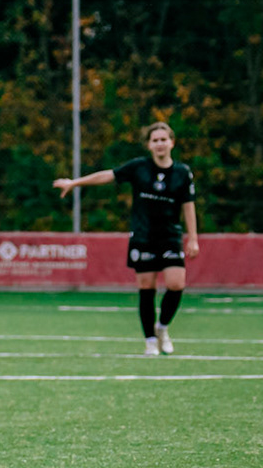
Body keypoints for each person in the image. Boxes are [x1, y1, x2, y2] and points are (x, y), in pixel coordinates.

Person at [54, 121, 199, 356]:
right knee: (146, 287)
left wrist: (193, 238)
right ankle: (150, 340)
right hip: (143, 236)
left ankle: (162, 328)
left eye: (164, 139)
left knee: (176, 284)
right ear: (149, 145)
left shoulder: (182, 172)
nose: (160, 144)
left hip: (170, 236)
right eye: (155, 140)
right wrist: (75, 183)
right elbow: (107, 176)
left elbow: (189, 205)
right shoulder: (139, 167)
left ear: (172, 142)